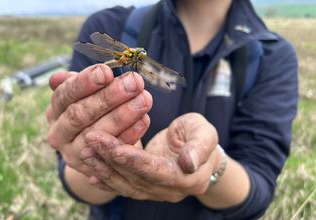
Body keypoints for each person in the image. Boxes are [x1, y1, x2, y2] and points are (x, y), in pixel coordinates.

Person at [46, 0, 298, 219]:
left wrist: (212, 164)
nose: (142, 57)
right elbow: (72, 175)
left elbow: (259, 190)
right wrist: (93, 153)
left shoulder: (273, 57)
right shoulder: (110, 26)